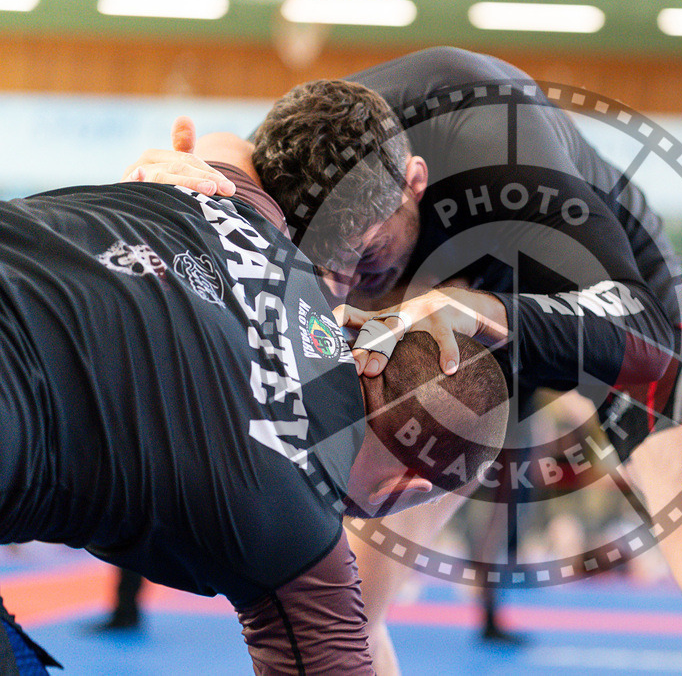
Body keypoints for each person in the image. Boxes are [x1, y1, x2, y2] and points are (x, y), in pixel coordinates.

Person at [126, 46, 682, 674]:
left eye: (367, 259)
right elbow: (227, 157)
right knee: (346, 608)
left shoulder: (507, 152)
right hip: (445, 332)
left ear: (415, 182)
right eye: (326, 269)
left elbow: (645, 340)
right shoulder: (291, 161)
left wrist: (491, 312)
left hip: (599, 296)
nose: (344, 288)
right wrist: (194, 180)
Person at [0, 143, 509, 673]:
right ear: (406, 488)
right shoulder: (303, 534)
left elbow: (232, 147)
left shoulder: (257, 220)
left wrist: (184, 157)